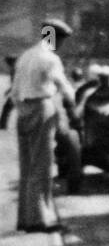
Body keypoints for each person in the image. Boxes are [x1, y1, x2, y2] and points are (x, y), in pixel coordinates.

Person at [13, 19, 76, 232]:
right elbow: (63, 86)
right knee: (43, 165)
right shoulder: (50, 58)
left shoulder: (25, 56)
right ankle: (40, 220)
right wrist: (72, 104)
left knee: (27, 166)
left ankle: (25, 218)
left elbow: (14, 91)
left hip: (23, 110)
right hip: (42, 108)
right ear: (54, 37)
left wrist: (22, 109)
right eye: (62, 40)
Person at [0, 55, 16, 130]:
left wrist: (10, 90)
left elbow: (16, 83)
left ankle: (2, 125)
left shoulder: (14, 70)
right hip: (21, 92)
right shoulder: (16, 69)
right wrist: (9, 90)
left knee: (7, 108)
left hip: (19, 93)